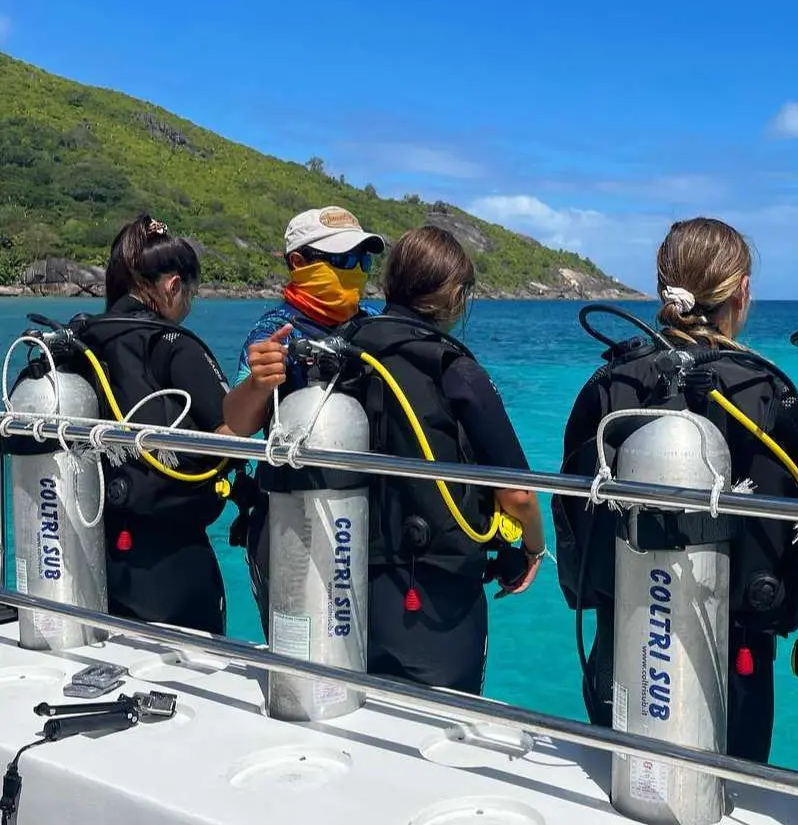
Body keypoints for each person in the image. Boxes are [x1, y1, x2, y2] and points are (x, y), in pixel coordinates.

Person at [554, 217, 798, 763]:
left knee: (620, 776)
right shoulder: (764, 390)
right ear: (742, 292)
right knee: (732, 784)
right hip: (737, 647)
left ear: (663, 286)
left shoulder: (613, 382)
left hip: (623, 629)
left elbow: (572, 503)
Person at [233, 222, 545, 695]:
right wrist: (534, 548)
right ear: (456, 296)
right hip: (430, 591)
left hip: (337, 566)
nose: (354, 270)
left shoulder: (336, 350)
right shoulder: (453, 368)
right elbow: (518, 494)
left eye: (362, 262)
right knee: (437, 718)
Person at [223, 205, 386, 629]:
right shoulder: (273, 333)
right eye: (342, 260)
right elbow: (238, 424)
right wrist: (257, 383)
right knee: (297, 641)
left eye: (363, 261)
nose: (356, 272)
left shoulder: (375, 326)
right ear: (298, 262)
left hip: (367, 517)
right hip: (289, 516)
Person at [81, 213, 236, 634]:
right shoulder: (174, 344)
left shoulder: (84, 341)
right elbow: (230, 431)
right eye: (191, 292)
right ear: (172, 286)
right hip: (174, 557)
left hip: (96, 551)